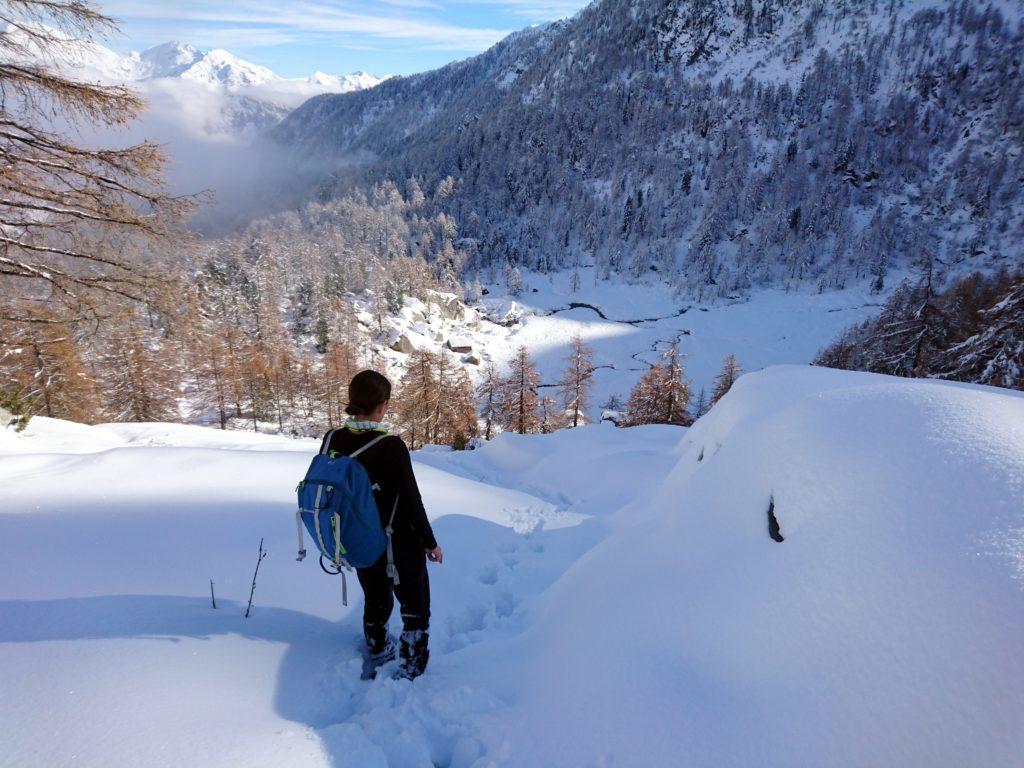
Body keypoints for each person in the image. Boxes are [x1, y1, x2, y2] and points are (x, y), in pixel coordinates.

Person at [319, 369, 443, 679]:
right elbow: (412, 500)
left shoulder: (333, 438)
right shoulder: (390, 446)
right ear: (382, 405)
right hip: (397, 540)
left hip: (357, 537)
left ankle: (377, 646)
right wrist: (430, 542)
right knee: (414, 603)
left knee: (375, 596)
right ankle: (412, 663)